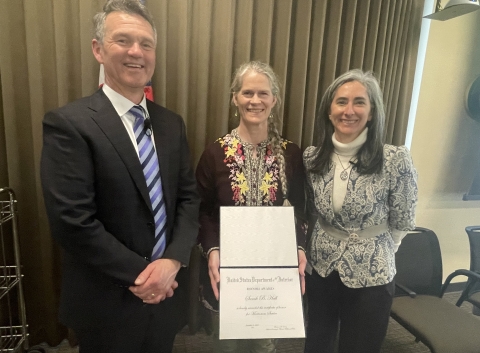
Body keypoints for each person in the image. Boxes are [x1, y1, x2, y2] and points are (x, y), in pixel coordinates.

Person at [40, 1, 200, 352]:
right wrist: (147, 276)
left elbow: (189, 198)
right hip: (106, 303)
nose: (135, 52)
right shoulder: (69, 124)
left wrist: (172, 262)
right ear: (98, 49)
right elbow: (72, 221)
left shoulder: (172, 124)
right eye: (122, 41)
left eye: (146, 44)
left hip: (166, 299)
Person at [303, 69, 418, 353]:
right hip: (321, 266)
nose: (349, 110)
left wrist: (379, 246)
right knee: (317, 342)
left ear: (372, 111)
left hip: (373, 273)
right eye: (341, 102)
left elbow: (403, 219)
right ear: (329, 110)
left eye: (359, 102)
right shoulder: (311, 158)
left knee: (360, 346)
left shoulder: (394, 159)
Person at [195, 61, 307, 353]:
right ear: (235, 98)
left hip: (273, 275)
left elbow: (301, 210)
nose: (255, 101)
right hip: (229, 272)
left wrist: (299, 248)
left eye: (263, 94)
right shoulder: (215, 153)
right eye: (247, 93)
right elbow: (202, 210)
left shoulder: (291, 154)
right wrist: (212, 250)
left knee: (264, 347)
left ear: (274, 100)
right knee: (227, 346)